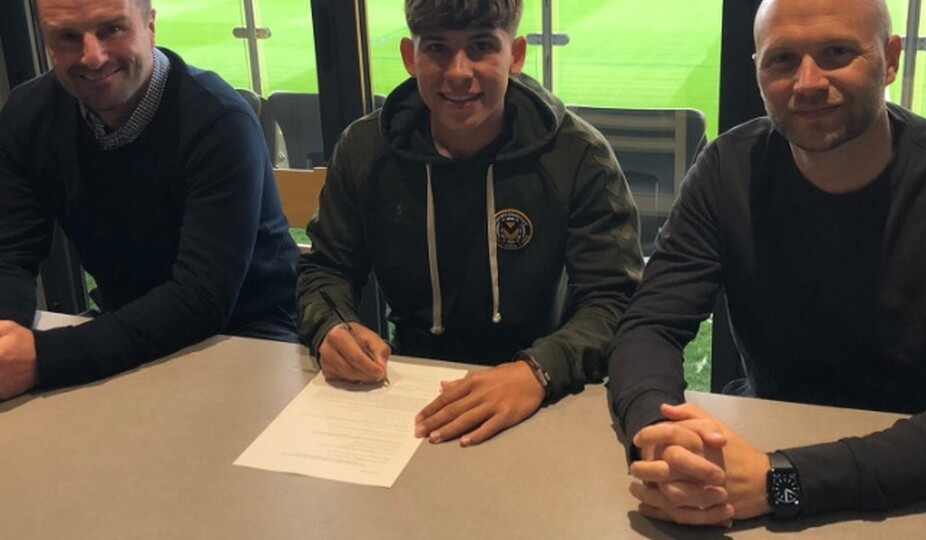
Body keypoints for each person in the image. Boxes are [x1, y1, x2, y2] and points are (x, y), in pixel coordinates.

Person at [607, 0, 926, 526]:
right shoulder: (727, 169)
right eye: (783, 59)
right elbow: (649, 326)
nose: (808, 82)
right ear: (758, 70)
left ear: (890, 59)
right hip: (755, 451)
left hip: (915, 481)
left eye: (837, 52)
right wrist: (661, 439)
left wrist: (782, 482)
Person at [298, 0, 643, 447]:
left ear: (516, 55)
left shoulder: (578, 156)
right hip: (405, 388)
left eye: (481, 47)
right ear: (409, 56)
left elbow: (613, 297)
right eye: (437, 48)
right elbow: (327, 269)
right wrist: (331, 325)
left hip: (545, 389)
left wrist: (539, 370)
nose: (458, 72)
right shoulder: (365, 149)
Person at [0, 0, 300, 399]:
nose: (93, 56)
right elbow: (10, 252)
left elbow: (201, 298)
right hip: (127, 329)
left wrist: (43, 359)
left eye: (112, 29)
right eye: (68, 37)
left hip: (250, 336)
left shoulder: (219, 120)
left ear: (151, 26)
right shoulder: (28, 115)